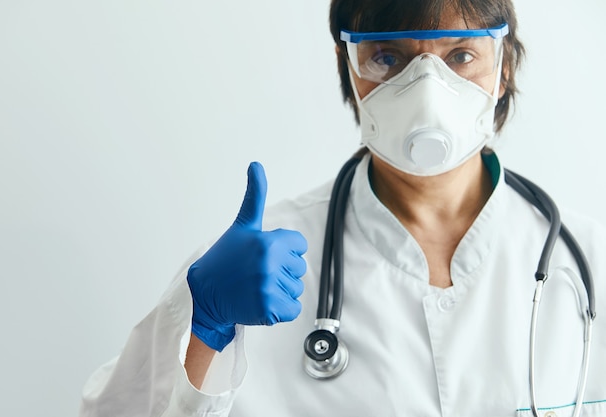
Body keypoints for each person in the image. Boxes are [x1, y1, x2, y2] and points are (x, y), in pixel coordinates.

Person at [80, 0, 606, 416]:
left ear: (504, 64)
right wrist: (205, 330)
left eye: (460, 56)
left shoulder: (590, 260)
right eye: (387, 57)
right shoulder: (248, 272)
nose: (426, 90)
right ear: (347, 66)